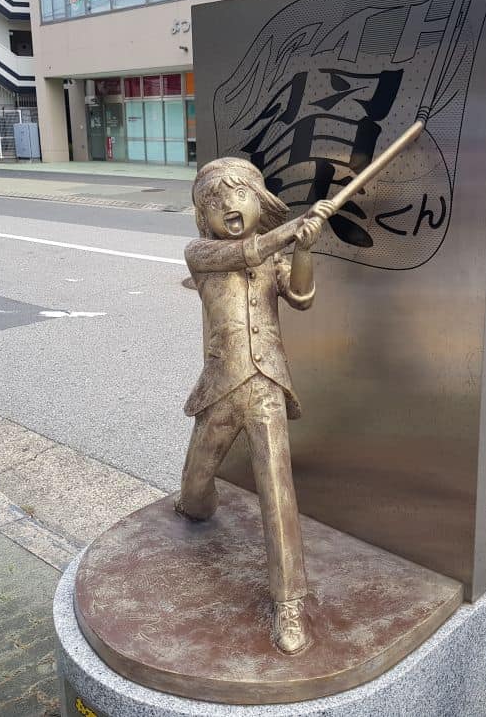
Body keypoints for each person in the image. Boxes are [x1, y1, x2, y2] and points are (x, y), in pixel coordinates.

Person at [177, 156, 333, 655]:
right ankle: (195, 504)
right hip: (220, 388)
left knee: (277, 489)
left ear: (258, 202)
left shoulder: (274, 257)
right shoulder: (200, 253)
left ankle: (289, 602)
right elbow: (245, 253)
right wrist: (289, 230)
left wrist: (304, 248)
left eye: (239, 194)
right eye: (215, 201)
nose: (228, 205)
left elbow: (303, 296)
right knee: (197, 491)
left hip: (266, 383)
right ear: (204, 217)